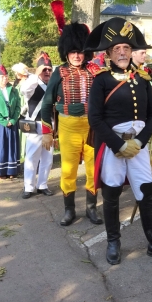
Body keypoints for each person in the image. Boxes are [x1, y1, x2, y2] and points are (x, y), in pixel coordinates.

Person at [85, 17, 152, 265]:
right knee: (111, 195)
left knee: (147, 193)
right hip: (112, 147)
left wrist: (139, 142)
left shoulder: (142, 80)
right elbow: (95, 118)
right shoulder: (101, 80)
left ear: (131, 52)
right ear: (108, 53)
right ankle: (113, 242)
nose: (122, 52)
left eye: (126, 48)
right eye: (116, 49)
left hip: (138, 147)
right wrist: (118, 145)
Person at [41, 22, 102, 225]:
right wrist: (47, 131)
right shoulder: (59, 72)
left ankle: (91, 208)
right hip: (68, 127)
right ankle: (69, 210)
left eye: (80, 52)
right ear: (66, 52)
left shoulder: (95, 71)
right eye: (73, 51)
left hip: (92, 127)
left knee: (94, 169)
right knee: (68, 170)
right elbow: (47, 101)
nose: (77, 56)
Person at [19, 52, 54, 198]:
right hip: (34, 124)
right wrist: (36, 74)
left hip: (49, 125)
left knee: (48, 157)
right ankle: (29, 186)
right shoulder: (32, 83)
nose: (47, 72)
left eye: (49, 69)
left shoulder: (53, 84)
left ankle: (42, 184)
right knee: (32, 157)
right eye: (43, 69)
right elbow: (24, 90)